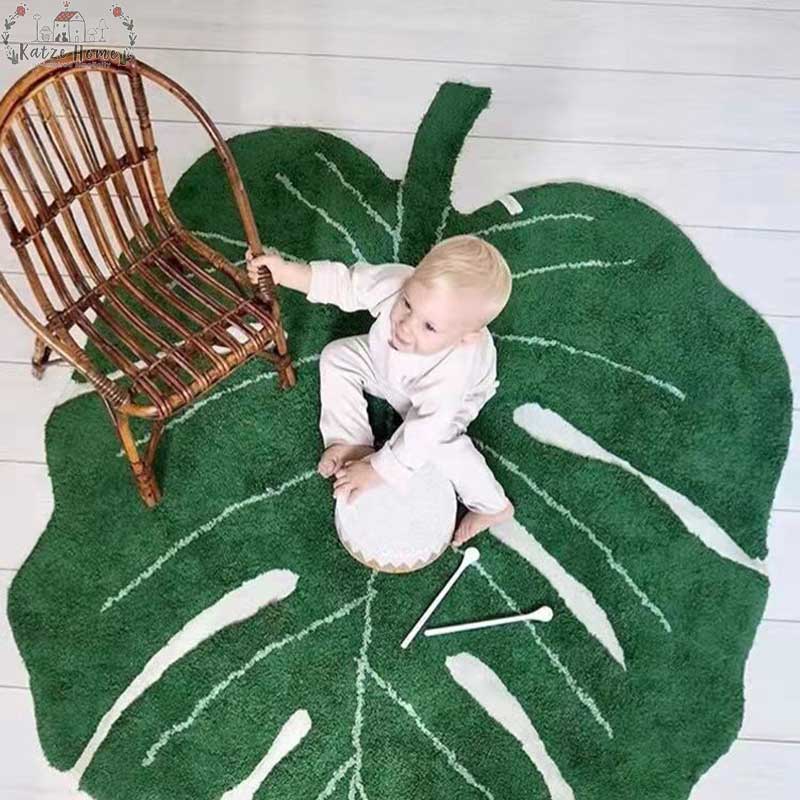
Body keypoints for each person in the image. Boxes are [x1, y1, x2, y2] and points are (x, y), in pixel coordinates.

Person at [246, 234, 514, 545]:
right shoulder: (400, 282)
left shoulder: (453, 372)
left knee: (439, 443)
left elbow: (424, 431)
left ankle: (493, 505)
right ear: (413, 277)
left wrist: (379, 470)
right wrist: (284, 273)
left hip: (446, 404)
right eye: (408, 304)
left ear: (467, 337)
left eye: (429, 327)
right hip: (389, 366)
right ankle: (352, 442)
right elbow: (345, 284)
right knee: (337, 357)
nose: (405, 325)